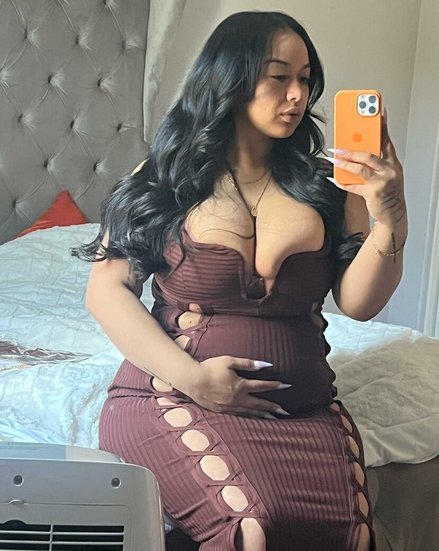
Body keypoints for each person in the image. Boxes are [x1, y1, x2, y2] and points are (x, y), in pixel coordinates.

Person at [76, 10, 407, 551]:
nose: (297, 95)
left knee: (349, 536)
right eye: (279, 77)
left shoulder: (329, 186)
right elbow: (106, 292)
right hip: (174, 395)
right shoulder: (165, 176)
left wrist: (391, 218)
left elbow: (359, 303)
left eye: (305, 79)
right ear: (230, 78)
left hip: (303, 408)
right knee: (255, 525)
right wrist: (195, 379)